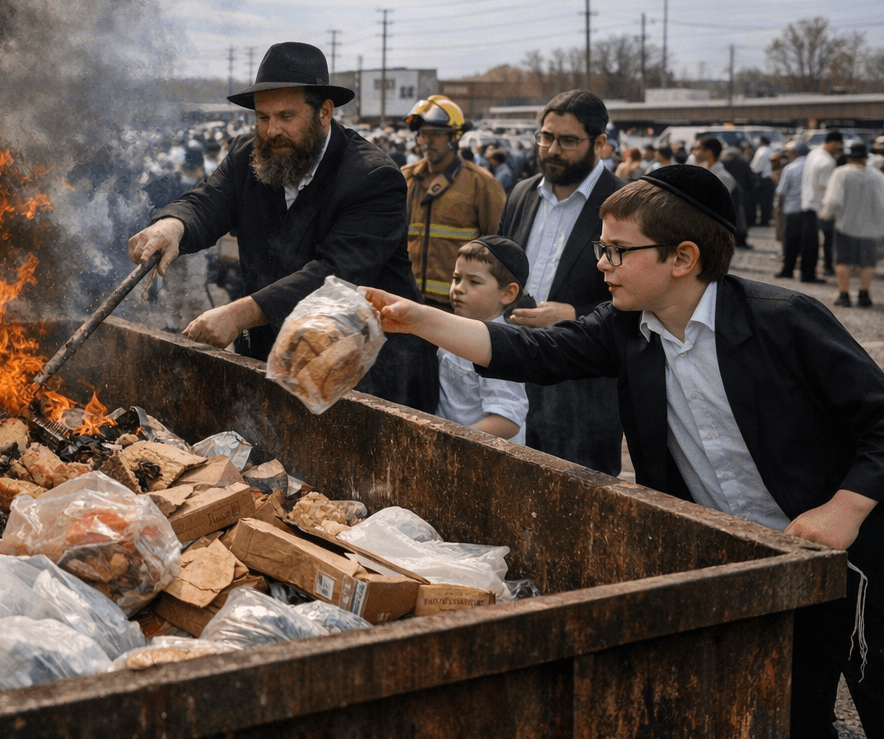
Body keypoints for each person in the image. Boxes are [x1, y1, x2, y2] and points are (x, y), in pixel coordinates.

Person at [365, 163, 884, 739]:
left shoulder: (783, 320)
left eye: (617, 251)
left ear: (682, 258)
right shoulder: (624, 328)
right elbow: (534, 352)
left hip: (850, 556)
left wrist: (845, 508)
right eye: (601, 248)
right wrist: (419, 318)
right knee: (787, 710)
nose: (601, 265)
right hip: (744, 566)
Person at [127, 42, 437, 410]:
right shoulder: (248, 156)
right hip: (276, 362)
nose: (272, 130)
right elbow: (208, 201)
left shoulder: (372, 177)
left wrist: (237, 314)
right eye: (262, 117)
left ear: (324, 112)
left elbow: (336, 277)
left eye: (286, 116)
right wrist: (173, 225)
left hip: (367, 374)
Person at [498, 89, 624, 474]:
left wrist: (573, 314)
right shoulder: (522, 194)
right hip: (514, 372)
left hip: (583, 388)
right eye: (546, 137)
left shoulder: (626, 204)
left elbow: (647, 303)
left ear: (599, 144)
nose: (552, 150)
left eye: (568, 141)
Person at [400, 95, 505, 311]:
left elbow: (499, 249)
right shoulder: (406, 179)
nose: (426, 141)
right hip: (410, 301)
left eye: (435, 134)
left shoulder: (481, 184)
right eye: (422, 134)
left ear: (454, 137)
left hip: (456, 308)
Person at [437, 236, 530, 443]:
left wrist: (453, 439)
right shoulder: (454, 328)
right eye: (456, 278)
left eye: (474, 282)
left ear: (508, 293)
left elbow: (507, 420)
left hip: (480, 453)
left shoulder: (502, 348)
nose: (459, 288)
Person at [821, 142, 884, 308]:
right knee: (868, 262)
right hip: (871, 228)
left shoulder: (841, 173)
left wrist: (826, 215)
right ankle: (864, 294)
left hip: (845, 225)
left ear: (849, 157)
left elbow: (833, 200)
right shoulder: (877, 176)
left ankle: (844, 294)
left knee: (843, 260)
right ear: (866, 158)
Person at [803, 131, 845, 280]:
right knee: (821, 242)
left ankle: (807, 272)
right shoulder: (828, 161)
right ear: (833, 143)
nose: (839, 150)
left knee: (809, 242)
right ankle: (812, 273)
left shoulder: (813, 154)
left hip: (807, 202)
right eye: (839, 146)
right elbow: (826, 187)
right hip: (819, 206)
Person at [774, 142, 810, 280]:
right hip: (809, 210)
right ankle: (806, 272)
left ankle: (788, 269)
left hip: (792, 209)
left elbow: (782, 191)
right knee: (807, 243)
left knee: (790, 242)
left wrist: (778, 207)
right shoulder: (812, 166)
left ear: (795, 152)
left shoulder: (790, 168)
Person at [751, 136, 775, 225]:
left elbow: (755, 167)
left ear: (761, 141)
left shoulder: (761, 151)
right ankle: (766, 219)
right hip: (771, 178)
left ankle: (762, 221)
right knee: (768, 201)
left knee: (762, 201)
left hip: (763, 179)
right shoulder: (771, 150)